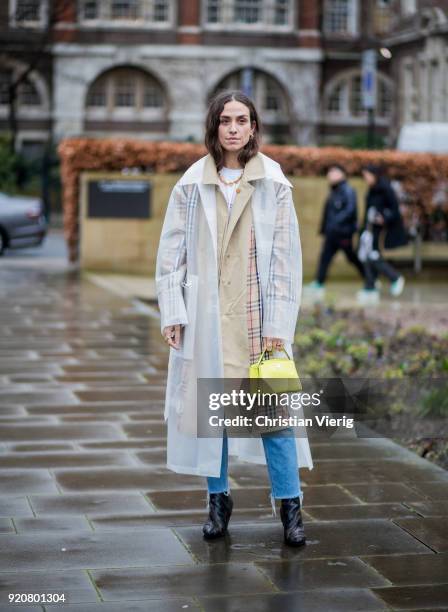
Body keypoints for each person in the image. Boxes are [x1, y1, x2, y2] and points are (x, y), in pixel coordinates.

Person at [155, 90, 313, 547]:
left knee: (275, 417)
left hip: (259, 321)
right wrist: (173, 312)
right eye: (225, 120)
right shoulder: (190, 183)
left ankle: (290, 507)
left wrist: (279, 326)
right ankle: (218, 503)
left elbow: (286, 259)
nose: (233, 128)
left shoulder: (274, 182)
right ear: (215, 126)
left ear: (252, 127)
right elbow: (173, 253)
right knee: (214, 418)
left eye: (241, 120)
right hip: (207, 324)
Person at [307, 164, 364, 296]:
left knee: (352, 257)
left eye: (333, 172)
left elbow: (350, 211)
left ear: (342, 174)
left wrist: (335, 223)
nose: (329, 175)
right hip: (332, 233)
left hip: (343, 233)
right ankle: (319, 283)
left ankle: (370, 278)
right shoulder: (334, 190)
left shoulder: (348, 191)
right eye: (329, 172)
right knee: (325, 257)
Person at [357, 164, 407, 303]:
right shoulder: (372, 189)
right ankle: (370, 286)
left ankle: (395, 278)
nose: (365, 178)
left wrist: (383, 217)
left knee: (373, 256)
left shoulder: (385, 189)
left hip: (380, 230)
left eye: (367, 175)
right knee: (365, 256)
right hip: (369, 229)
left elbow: (394, 210)